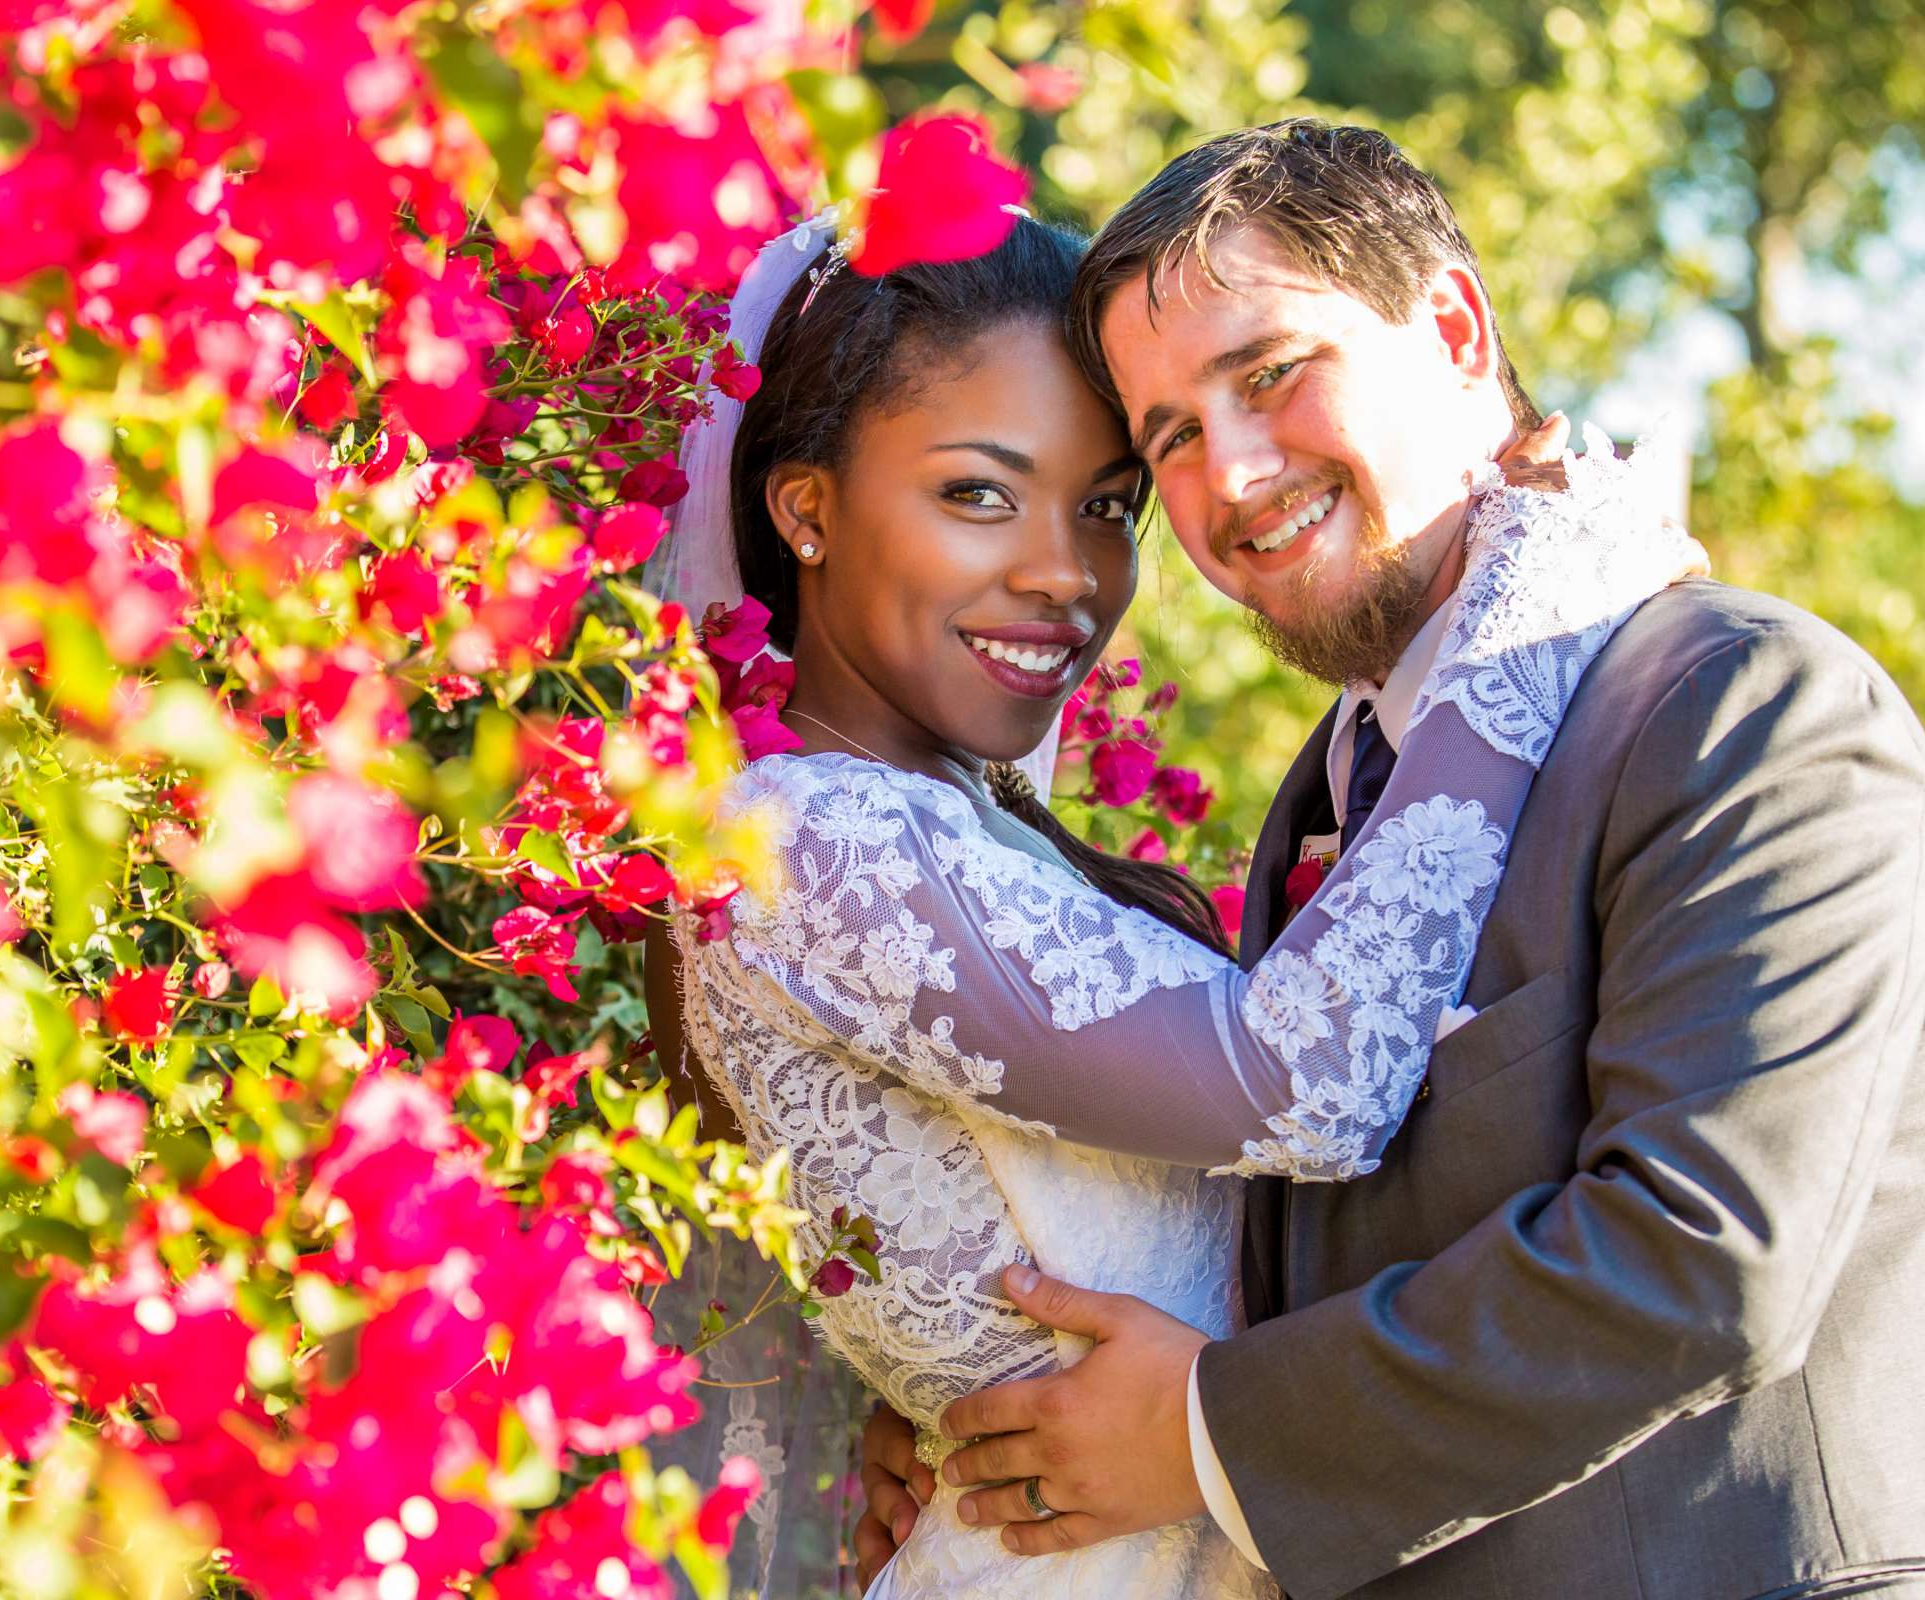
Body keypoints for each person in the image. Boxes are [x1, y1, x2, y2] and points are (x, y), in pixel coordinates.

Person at [855, 120, 1925, 1600]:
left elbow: (1702, 1255)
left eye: (1272, 374)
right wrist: (992, 1415)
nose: (1228, 476)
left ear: (1456, 326)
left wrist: (1198, 1433)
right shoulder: (1330, 795)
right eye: (1168, 438)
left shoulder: (1739, 704)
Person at [642, 189, 1700, 1597]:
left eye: (1108, 505)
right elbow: (1312, 1079)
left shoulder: (943, 828)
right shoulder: (804, 844)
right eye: (978, 492)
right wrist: (1537, 598)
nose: (1063, 572)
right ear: (806, 506)